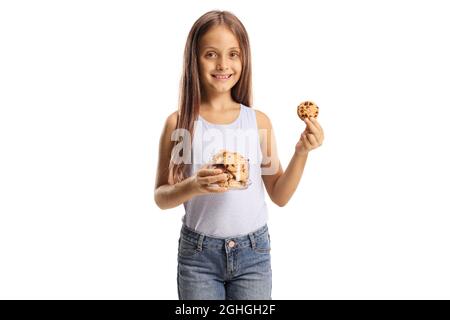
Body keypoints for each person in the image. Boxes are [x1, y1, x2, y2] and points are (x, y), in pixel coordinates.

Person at [154, 10, 324, 300]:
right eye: (210, 54)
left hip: (253, 254)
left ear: (244, 59)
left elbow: (280, 195)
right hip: (198, 258)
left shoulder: (258, 122)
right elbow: (161, 197)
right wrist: (194, 185)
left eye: (233, 54)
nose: (223, 64)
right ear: (193, 59)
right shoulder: (179, 124)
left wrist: (301, 152)